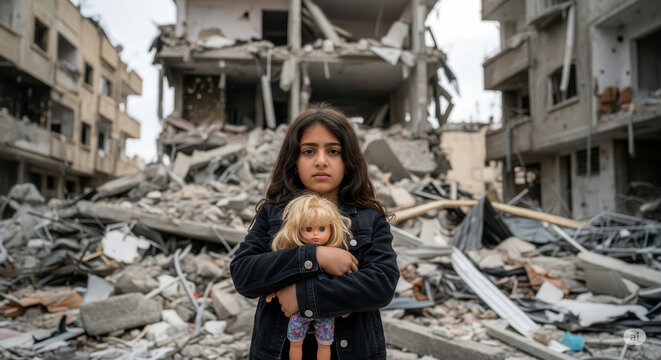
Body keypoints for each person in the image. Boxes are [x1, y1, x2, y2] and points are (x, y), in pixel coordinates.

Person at [230, 104, 399, 360]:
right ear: (294, 161)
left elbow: (381, 284)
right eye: (309, 151)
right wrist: (315, 256)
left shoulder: (369, 218)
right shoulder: (275, 214)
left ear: (348, 160)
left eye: (333, 151)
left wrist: (302, 296)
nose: (321, 160)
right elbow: (244, 274)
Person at [266, 194, 352, 360]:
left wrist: (344, 303)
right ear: (298, 230)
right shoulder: (293, 255)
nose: (315, 235)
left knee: (325, 343)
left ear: (331, 229)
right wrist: (273, 291)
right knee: (295, 342)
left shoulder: (336, 256)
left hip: (326, 309)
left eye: (321, 229)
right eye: (308, 229)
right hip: (299, 310)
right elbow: (285, 277)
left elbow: (341, 282)